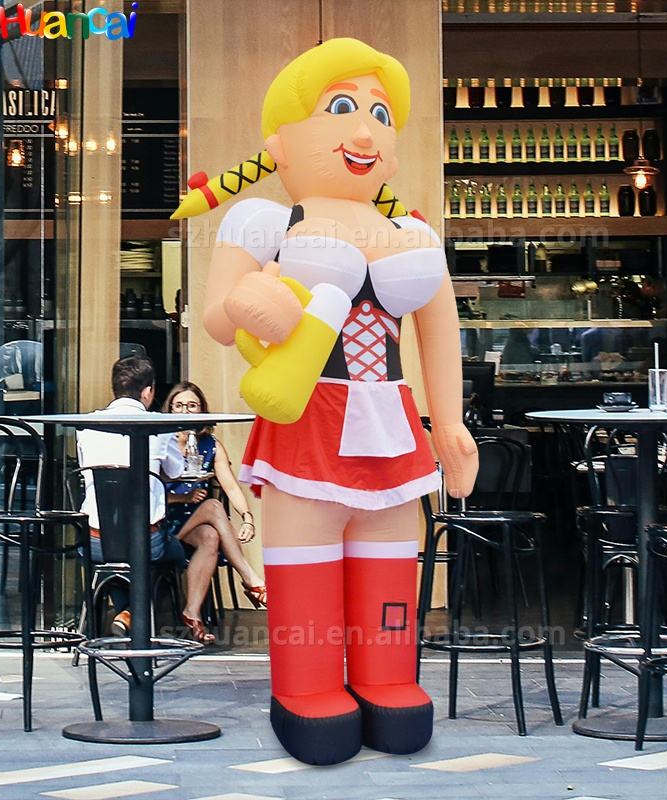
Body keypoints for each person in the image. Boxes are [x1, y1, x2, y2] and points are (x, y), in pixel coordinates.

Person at [173, 38, 478, 765]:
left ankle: (386, 676)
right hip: (307, 418)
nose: (366, 131)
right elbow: (213, 316)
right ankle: (305, 686)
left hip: (391, 420)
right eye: (341, 107)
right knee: (307, 565)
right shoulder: (264, 222)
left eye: (381, 114)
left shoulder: (413, 232)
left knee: (388, 562)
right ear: (280, 140)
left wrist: (451, 421)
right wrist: (254, 303)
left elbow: (441, 328)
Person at [76, 356, 186, 638]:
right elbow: (177, 471)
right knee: (176, 552)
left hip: (96, 541)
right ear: (148, 391)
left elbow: (87, 469)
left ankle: (126, 613)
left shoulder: (86, 426)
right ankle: (133, 613)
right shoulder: (160, 426)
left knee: (114, 561)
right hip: (146, 542)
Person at [160, 381, 267, 644]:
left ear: (202, 410)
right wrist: (182, 497)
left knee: (210, 536)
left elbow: (230, 485)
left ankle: (192, 614)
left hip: (194, 523)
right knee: (213, 506)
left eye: (192, 405)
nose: (185, 411)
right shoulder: (160, 443)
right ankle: (251, 579)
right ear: (170, 409)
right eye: (179, 405)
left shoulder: (210, 444)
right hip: (163, 522)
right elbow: (147, 491)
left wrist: (248, 518)